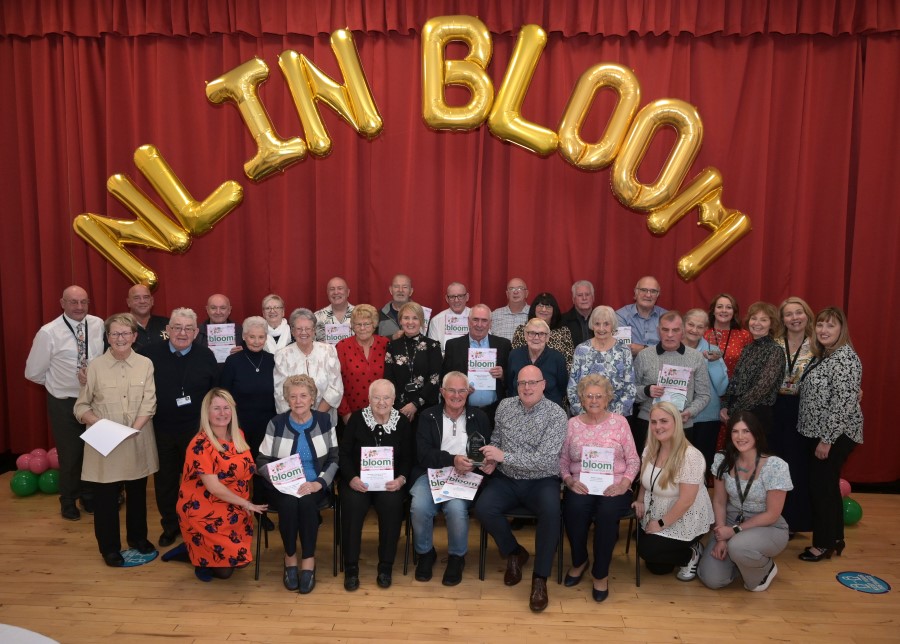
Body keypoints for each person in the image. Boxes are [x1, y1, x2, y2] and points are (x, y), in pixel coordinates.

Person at [474, 365, 568, 612]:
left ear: (543, 385)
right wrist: (492, 460)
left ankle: (540, 578)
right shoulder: (505, 407)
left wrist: (503, 456)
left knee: (551, 513)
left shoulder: (557, 415)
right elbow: (496, 439)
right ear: (516, 385)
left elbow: (546, 460)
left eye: (533, 383)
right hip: (507, 479)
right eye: (522, 383)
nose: (527, 388)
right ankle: (515, 552)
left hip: (542, 480)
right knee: (483, 508)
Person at [74, 313, 158, 566]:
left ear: (134, 336)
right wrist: (100, 424)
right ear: (108, 338)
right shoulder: (95, 367)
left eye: (125, 334)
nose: (120, 338)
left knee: (137, 495)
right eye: (115, 334)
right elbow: (81, 406)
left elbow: (149, 402)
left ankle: (138, 539)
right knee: (105, 500)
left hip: (136, 439)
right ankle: (109, 548)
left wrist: (132, 430)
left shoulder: (146, 364)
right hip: (104, 444)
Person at [25, 285, 105, 520]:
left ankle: (88, 495)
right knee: (70, 455)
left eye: (83, 302)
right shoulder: (48, 332)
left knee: (94, 451)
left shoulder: (98, 324)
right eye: (73, 302)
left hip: (94, 401)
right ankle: (68, 500)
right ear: (62, 303)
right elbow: (33, 373)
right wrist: (62, 384)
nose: (79, 307)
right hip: (64, 401)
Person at [142, 308, 219, 547]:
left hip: (196, 430)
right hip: (161, 429)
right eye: (177, 327)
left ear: (196, 332)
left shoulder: (206, 355)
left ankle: (196, 525)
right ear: (168, 330)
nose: (182, 333)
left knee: (197, 480)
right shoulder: (148, 355)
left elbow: (215, 393)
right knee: (165, 481)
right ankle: (170, 525)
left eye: (188, 328)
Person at [560, 374, 639, 602]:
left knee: (606, 514)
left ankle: (600, 573)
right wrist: (569, 480)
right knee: (573, 508)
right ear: (581, 399)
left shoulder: (620, 423)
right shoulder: (572, 424)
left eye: (599, 396)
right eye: (588, 396)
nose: (593, 400)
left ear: (608, 399)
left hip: (614, 485)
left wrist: (624, 484)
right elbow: (563, 461)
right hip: (581, 483)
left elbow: (633, 460)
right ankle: (580, 560)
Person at [256, 376, 338, 592]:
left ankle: (308, 560)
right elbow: (261, 460)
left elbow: (334, 458)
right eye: (293, 396)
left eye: (303, 395)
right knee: (290, 504)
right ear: (287, 399)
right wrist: (279, 480)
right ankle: (290, 557)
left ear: (312, 398)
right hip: (281, 487)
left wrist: (319, 483)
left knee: (308, 504)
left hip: (314, 484)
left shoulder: (324, 421)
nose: (298, 401)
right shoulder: (276, 423)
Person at [410, 372, 491, 586]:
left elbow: (485, 451)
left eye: (461, 391)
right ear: (442, 392)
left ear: (468, 393)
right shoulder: (428, 416)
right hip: (431, 473)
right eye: (451, 390)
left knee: (455, 509)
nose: (456, 395)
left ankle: (456, 557)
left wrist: (479, 464)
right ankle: (426, 553)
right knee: (419, 506)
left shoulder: (479, 418)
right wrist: (452, 459)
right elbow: (423, 454)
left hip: (465, 476)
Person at [177, 389, 267, 582]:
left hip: (234, 507)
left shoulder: (238, 435)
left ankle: (196, 549)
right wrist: (247, 504)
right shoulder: (200, 444)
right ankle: (195, 554)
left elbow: (249, 467)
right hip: (205, 511)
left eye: (226, 408)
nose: (222, 413)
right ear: (206, 413)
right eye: (216, 408)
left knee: (241, 563)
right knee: (225, 573)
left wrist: (278, 471)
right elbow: (214, 488)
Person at [698, 412, 792, 592]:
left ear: (756, 434)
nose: (740, 437)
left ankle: (765, 568)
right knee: (712, 579)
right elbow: (718, 501)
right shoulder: (722, 459)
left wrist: (732, 532)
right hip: (731, 518)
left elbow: (772, 514)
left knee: (738, 546)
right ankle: (738, 561)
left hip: (767, 524)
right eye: (735, 432)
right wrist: (720, 537)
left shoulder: (776, 466)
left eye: (746, 431)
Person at [797, 307, 863, 562]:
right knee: (828, 488)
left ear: (841, 330)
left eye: (831, 326)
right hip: (822, 432)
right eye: (821, 325)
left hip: (834, 435)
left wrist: (827, 440)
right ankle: (835, 538)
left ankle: (823, 545)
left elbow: (843, 404)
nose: (824, 330)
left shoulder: (845, 358)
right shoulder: (825, 354)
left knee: (822, 489)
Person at [339, 379, 413, 591]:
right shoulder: (356, 420)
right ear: (369, 399)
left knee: (392, 505)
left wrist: (400, 480)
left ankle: (386, 566)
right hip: (357, 481)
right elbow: (343, 454)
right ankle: (351, 566)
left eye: (386, 397)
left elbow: (408, 458)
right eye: (376, 397)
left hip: (390, 483)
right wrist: (352, 478)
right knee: (353, 505)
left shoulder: (402, 422)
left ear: (394, 399)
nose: (381, 402)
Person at [632, 402, 714, 580]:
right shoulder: (650, 449)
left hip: (684, 517)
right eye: (653, 422)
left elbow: (686, 501)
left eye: (664, 421)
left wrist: (660, 524)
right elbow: (646, 481)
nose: (658, 427)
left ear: (676, 423)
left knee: (647, 550)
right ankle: (676, 549)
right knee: (657, 568)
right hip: (656, 510)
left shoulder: (690, 456)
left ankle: (692, 553)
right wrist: (639, 500)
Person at [219, 316, 277, 518]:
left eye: (261, 337)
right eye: (252, 337)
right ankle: (238, 509)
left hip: (267, 425)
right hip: (239, 426)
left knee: (262, 470)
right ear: (244, 336)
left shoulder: (272, 360)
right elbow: (224, 394)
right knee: (240, 471)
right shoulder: (233, 361)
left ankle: (262, 511)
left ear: (266, 338)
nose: (256, 341)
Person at [632, 311, 711, 455]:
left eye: (675, 330)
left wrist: (690, 412)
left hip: (682, 424)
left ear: (682, 332)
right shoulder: (644, 356)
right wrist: (646, 391)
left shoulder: (696, 357)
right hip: (649, 423)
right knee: (647, 472)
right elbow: (630, 392)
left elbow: (704, 395)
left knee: (680, 472)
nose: (670, 335)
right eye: (665, 329)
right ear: (658, 331)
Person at [772, 296, 816, 534]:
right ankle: (776, 518)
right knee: (778, 464)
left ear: (807, 315)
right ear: (783, 319)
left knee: (799, 465)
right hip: (777, 409)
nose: (794, 318)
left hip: (805, 408)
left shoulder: (819, 344)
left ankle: (797, 522)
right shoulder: (774, 344)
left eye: (798, 312)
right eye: (789, 314)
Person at [720, 302, 786, 434]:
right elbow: (735, 380)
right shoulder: (748, 348)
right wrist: (725, 406)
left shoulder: (775, 350)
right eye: (754, 318)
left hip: (757, 413)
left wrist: (734, 410)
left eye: (763, 320)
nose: (757, 323)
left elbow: (761, 389)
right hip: (737, 410)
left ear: (771, 324)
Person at [442, 304, 512, 425]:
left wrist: (503, 375)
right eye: (475, 319)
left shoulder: (503, 345)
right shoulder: (453, 346)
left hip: (495, 412)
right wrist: (460, 386)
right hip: (462, 411)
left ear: (490, 323)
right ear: (468, 321)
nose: (479, 325)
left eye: (484, 320)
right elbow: (444, 378)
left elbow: (513, 379)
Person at [273, 308, 344, 427]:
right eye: (299, 329)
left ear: (314, 330)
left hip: (324, 420)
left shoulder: (328, 351)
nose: (303, 332)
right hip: (294, 422)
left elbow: (336, 388)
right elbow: (281, 393)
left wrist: (315, 417)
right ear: (292, 331)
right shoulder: (282, 355)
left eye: (307, 329)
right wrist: (300, 419)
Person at [567, 305, 636, 416]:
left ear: (613, 326)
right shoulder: (581, 349)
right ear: (592, 325)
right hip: (585, 416)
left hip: (615, 418)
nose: (601, 329)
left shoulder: (624, 351)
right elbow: (572, 387)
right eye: (597, 324)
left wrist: (609, 418)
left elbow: (630, 389)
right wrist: (585, 414)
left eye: (606, 324)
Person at [682, 308, 729, 468]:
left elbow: (723, 389)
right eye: (690, 324)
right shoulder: (672, 347)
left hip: (707, 417)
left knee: (701, 465)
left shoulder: (713, 351)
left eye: (700, 326)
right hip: (679, 416)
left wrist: (713, 363)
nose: (694, 330)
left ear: (706, 329)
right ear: (683, 324)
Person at [383, 302, 442, 424]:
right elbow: (388, 378)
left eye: (415, 318)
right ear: (400, 321)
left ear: (421, 321)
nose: (410, 322)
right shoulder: (392, 346)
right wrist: (401, 406)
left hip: (426, 409)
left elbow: (435, 379)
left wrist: (415, 404)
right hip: (399, 409)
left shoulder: (433, 346)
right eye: (406, 318)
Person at [336, 304, 389, 423]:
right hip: (353, 413)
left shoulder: (385, 344)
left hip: (383, 411)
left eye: (367, 324)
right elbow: (336, 382)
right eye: (358, 324)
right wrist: (345, 413)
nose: (362, 328)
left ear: (374, 325)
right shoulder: (342, 346)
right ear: (352, 326)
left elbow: (392, 378)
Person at [507, 318, 568, 407]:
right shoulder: (514, 355)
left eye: (541, 334)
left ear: (547, 338)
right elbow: (510, 386)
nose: (536, 337)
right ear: (525, 336)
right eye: (531, 333)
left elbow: (562, 389)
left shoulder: (558, 358)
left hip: (549, 411)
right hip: (518, 411)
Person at [512, 292, 575, 371]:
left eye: (548, 306)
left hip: (554, 376)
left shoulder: (563, 332)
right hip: (525, 376)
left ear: (554, 310)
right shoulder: (521, 330)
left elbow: (569, 362)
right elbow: (515, 358)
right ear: (534, 309)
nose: (544, 309)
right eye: (540, 305)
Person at [615, 276, 666, 357]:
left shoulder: (666, 317)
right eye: (643, 290)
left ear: (658, 295)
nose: (648, 295)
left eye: (653, 291)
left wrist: (642, 349)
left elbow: (670, 347)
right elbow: (622, 349)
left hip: (659, 366)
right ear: (636, 292)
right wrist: (655, 349)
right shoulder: (621, 316)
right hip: (631, 368)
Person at [703, 293, 752, 378]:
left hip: (735, 387)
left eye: (729, 307)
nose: (724, 310)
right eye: (719, 307)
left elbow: (750, 365)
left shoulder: (744, 335)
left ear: (734, 312)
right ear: (713, 311)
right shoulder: (703, 333)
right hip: (707, 387)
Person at [427, 282, 471, 353]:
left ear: (467, 297)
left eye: (460, 296)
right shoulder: (436, 321)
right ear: (447, 299)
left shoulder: (478, 318)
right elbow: (433, 351)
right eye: (452, 297)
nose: (456, 300)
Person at [197, 294, 243, 360]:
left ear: (229, 310)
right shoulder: (196, 332)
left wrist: (244, 353)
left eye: (223, 308)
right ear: (207, 310)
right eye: (213, 308)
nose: (218, 312)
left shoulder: (241, 332)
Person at [125, 284, 168, 349]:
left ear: (152, 301)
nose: (142, 301)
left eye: (146, 297)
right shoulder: (118, 327)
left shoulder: (167, 324)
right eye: (136, 298)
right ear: (128, 302)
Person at [314, 276, 355, 343]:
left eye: (340, 288)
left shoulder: (360, 315)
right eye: (332, 289)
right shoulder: (317, 317)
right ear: (327, 293)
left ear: (348, 292)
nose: (336, 292)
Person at [378, 274, 415, 339]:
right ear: (391, 290)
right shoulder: (378, 315)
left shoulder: (422, 314)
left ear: (411, 291)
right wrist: (392, 338)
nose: (400, 290)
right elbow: (371, 341)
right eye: (396, 286)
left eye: (405, 287)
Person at [560, 280, 595, 346]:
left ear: (593, 298)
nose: (584, 298)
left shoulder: (602, 319)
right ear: (573, 299)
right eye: (580, 295)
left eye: (587, 294)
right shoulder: (562, 321)